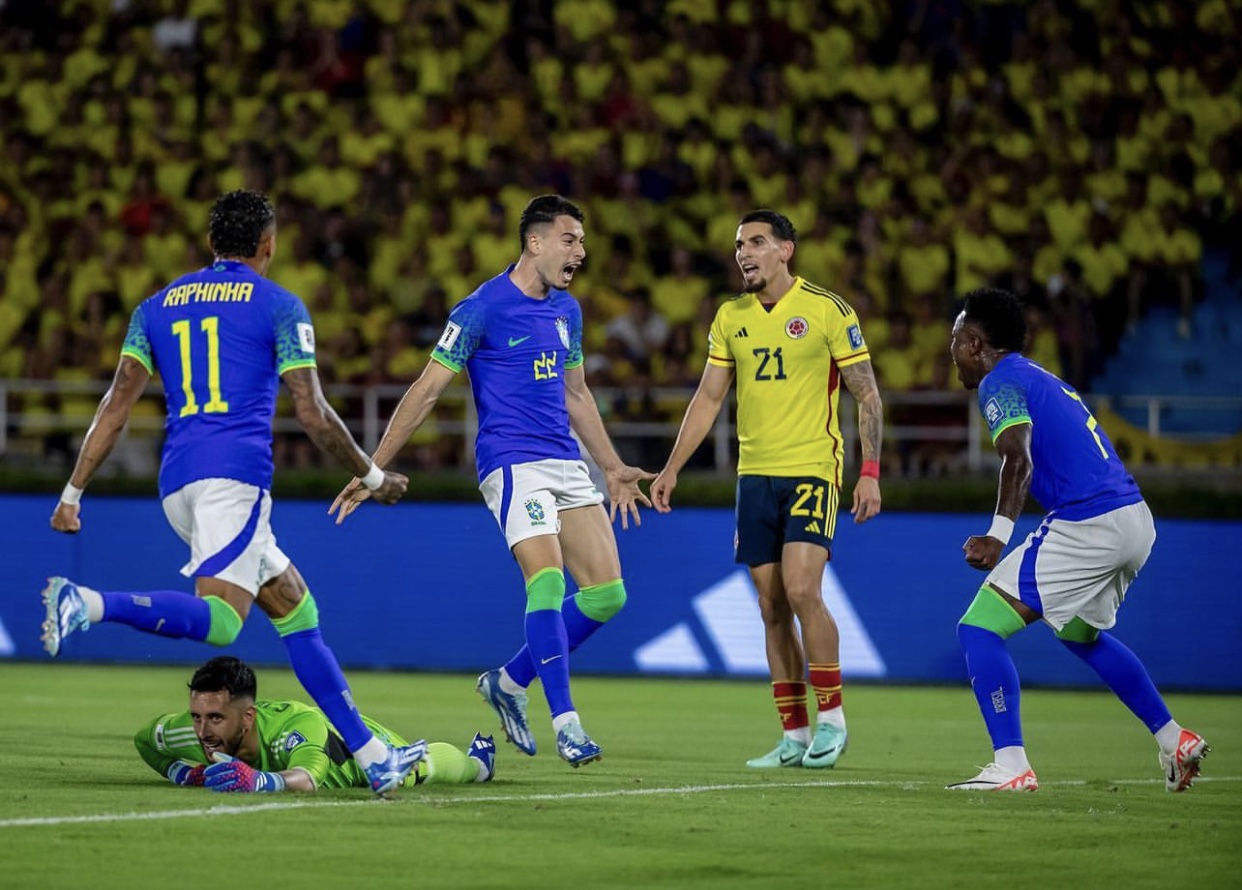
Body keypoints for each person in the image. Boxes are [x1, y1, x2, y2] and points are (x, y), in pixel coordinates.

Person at [42, 189, 425, 794]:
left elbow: (116, 404)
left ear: (210, 243)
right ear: (268, 245)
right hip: (233, 481)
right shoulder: (279, 305)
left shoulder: (155, 306)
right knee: (223, 622)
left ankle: (374, 755)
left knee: (296, 609)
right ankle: (88, 604)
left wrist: (72, 491)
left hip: (178, 483)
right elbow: (313, 412)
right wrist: (373, 476)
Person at [330, 195, 654, 767]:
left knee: (607, 595)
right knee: (547, 583)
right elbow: (427, 390)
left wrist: (610, 466)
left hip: (565, 460)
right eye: (570, 240)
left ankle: (507, 682)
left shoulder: (567, 310)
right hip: (511, 462)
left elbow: (577, 394)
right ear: (535, 242)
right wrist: (371, 467)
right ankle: (567, 724)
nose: (581, 251)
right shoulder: (480, 308)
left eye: (582, 241)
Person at [945, 287, 1209, 792]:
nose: (950, 350)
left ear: (975, 343)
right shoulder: (1037, 376)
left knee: (978, 629)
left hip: (1090, 521)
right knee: (1078, 634)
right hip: (1135, 520)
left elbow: (1017, 458)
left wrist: (998, 535)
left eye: (955, 340)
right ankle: (1173, 738)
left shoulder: (1000, 381)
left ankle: (1011, 764)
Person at [650, 209, 884, 769]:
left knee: (803, 590)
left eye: (756, 242)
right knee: (771, 605)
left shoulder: (827, 309)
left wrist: (870, 472)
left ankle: (832, 722)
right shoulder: (731, 316)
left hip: (812, 468)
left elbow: (867, 394)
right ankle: (794, 734)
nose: (744, 253)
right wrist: (671, 468)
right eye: (739, 245)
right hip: (754, 475)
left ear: (785, 250)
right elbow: (708, 399)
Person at [136, 656, 495, 792]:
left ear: (248, 717)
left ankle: (479, 763)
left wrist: (260, 780)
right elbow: (144, 741)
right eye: (196, 716)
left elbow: (307, 779)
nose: (202, 731)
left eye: (215, 718)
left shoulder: (294, 727)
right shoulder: (193, 730)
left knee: (423, 768)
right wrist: (185, 774)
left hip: (361, 756)